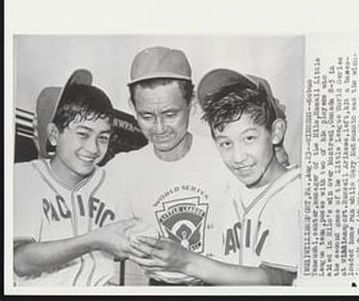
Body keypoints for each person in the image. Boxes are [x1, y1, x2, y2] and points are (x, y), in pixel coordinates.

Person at [128, 68, 301, 286]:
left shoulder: (296, 193)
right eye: (225, 143)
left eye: (249, 138)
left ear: (276, 133)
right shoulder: (234, 186)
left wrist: (187, 262)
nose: (238, 157)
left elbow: (280, 279)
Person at [104, 47, 238, 285]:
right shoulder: (122, 169)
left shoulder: (224, 156)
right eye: (146, 115)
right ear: (132, 107)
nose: (159, 128)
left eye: (170, 113)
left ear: (192, 104)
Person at [13, 70, 141, 286]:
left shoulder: (114, 185)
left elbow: (119, 253)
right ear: (54, 134)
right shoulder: (22, 178)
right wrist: (94, 240)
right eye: (83, 134)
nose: (93, 148)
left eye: (103, 138)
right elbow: (20, 261)